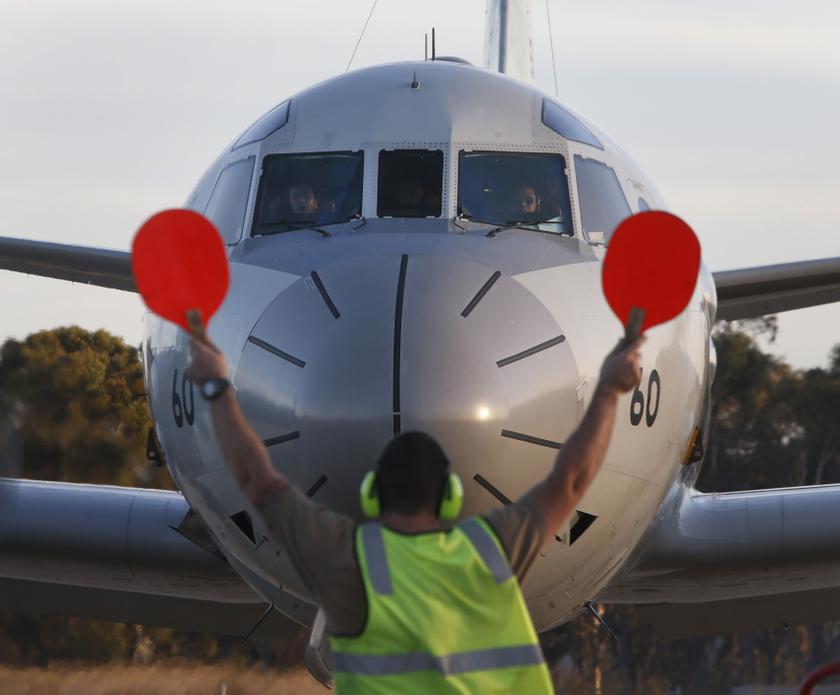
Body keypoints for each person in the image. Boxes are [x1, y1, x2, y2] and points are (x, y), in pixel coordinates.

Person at [188, 335, 643, 693]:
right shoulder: (491, 553)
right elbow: (571, 480)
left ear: (372, 493)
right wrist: (608, 389)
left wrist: (216, 388)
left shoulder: (347, 568)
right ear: (449, 494)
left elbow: (258, 481)